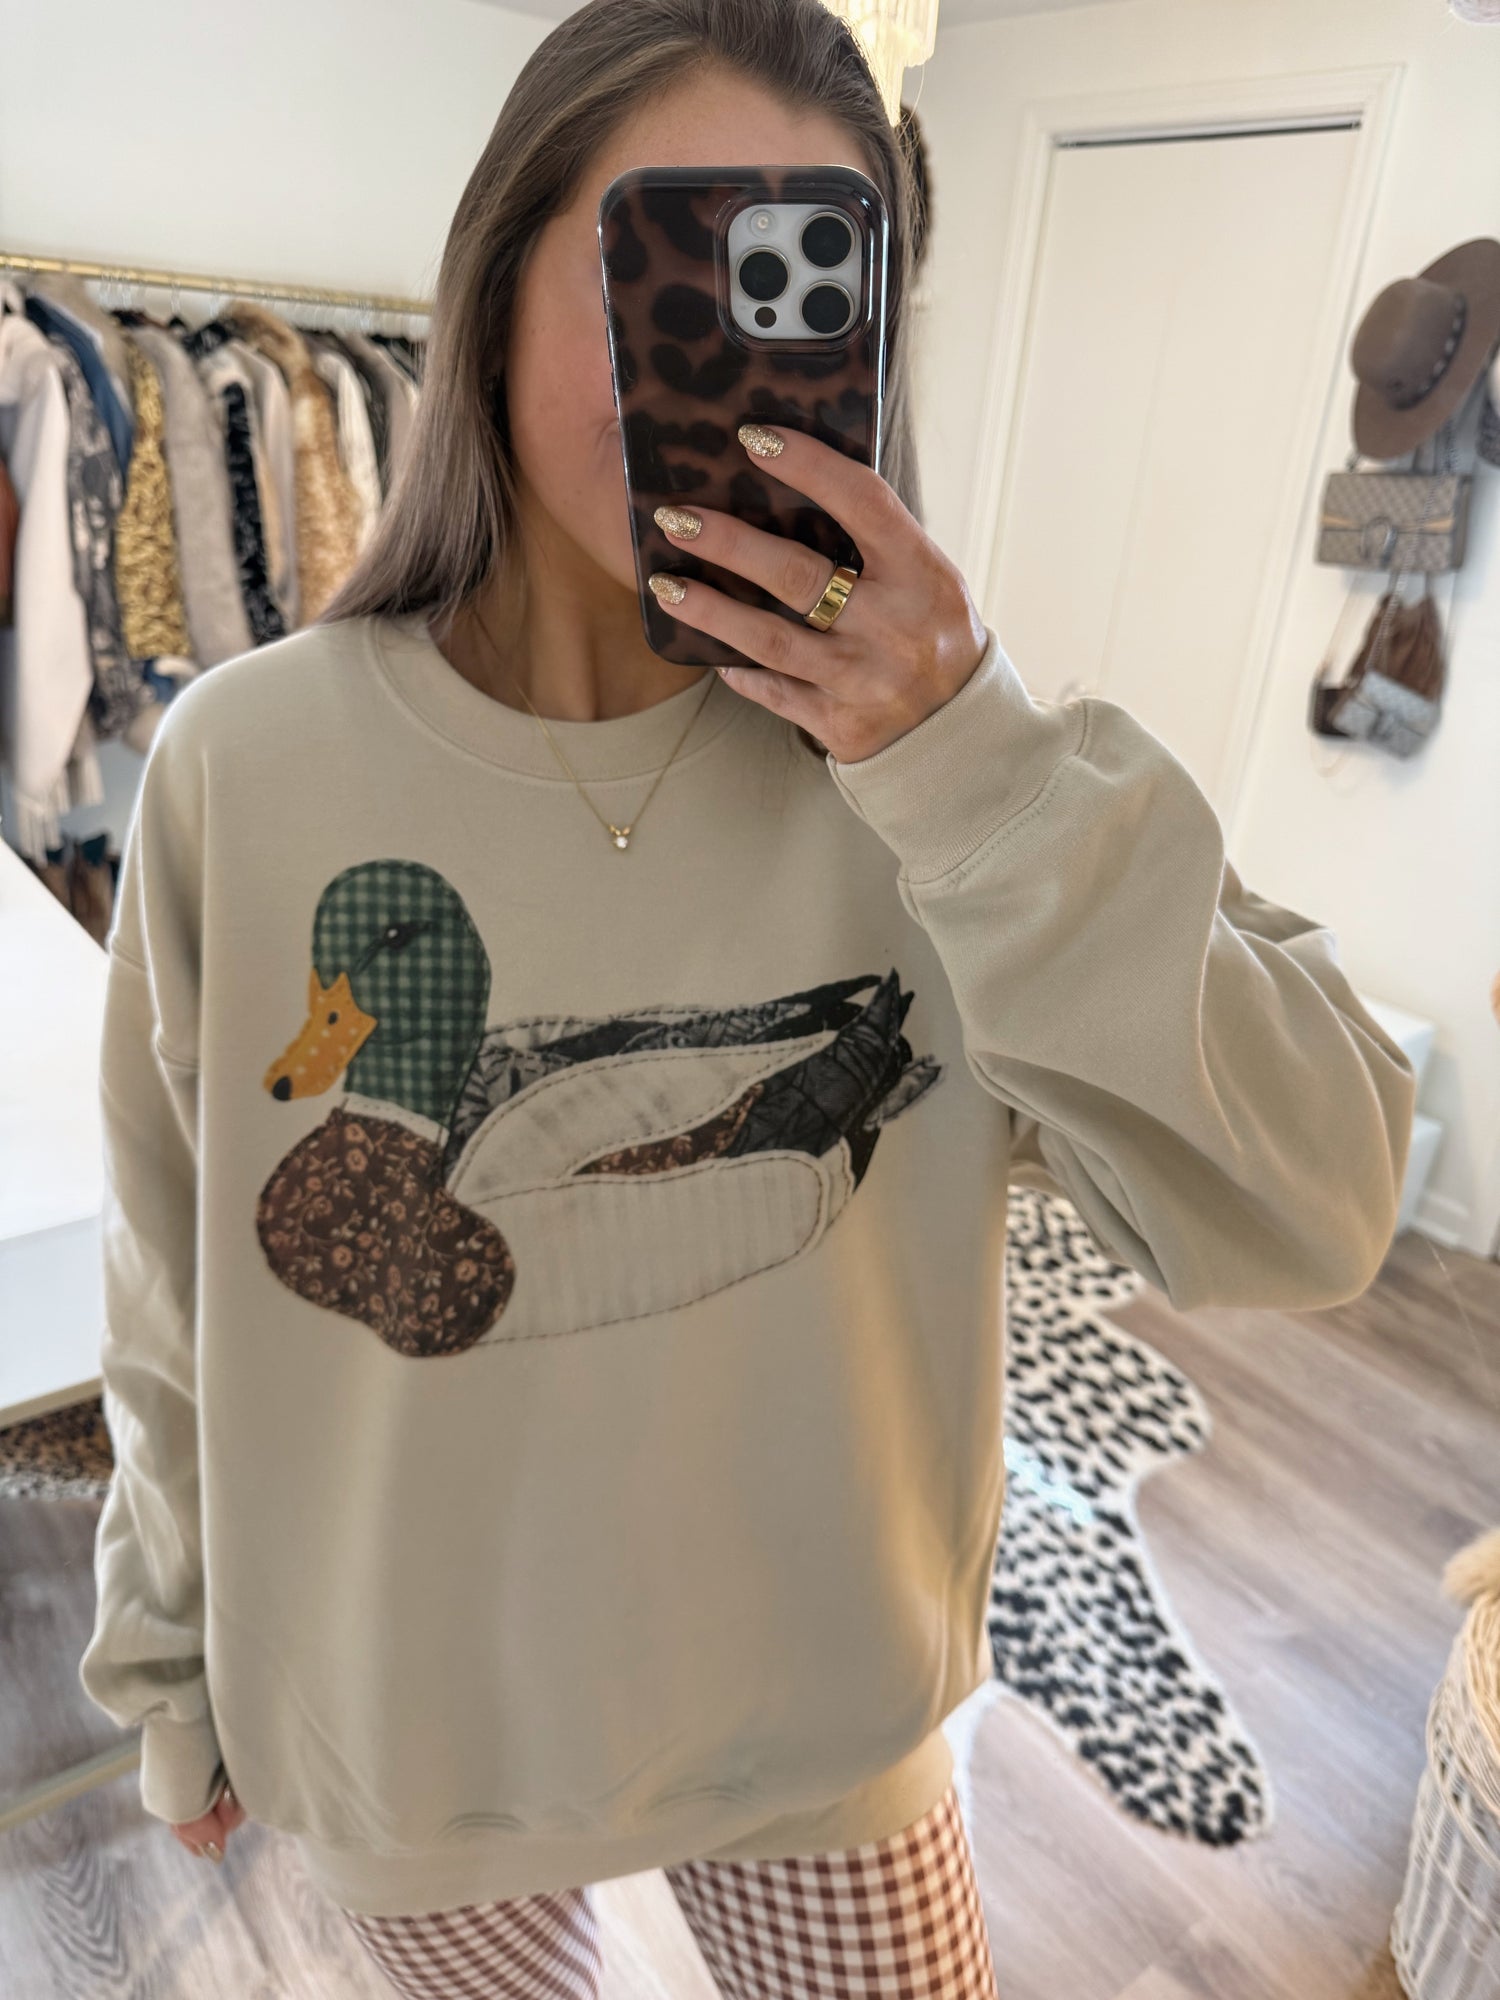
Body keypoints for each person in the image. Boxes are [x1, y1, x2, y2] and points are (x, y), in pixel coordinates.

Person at [76, 1, 1416, 1994]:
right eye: (663, 255)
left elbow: (1323, 1205)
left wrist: (975, 772)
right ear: (494, 277)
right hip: (407, 1739)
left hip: (824, 1729)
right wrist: (168, 1653)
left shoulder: (967, 777)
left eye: (800, 281)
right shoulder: (241, 767)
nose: (709, 358)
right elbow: (173, 1273)